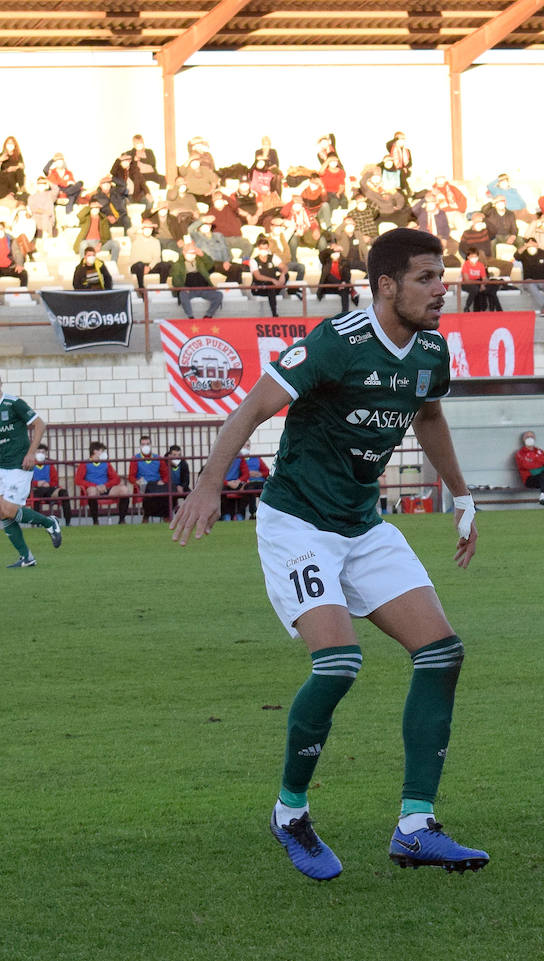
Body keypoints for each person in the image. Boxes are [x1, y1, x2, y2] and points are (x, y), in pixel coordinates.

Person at [170, 227, 488, 882]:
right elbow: (253, 407)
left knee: (442, 652)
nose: (442, 287)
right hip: (299, 524)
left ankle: (415, 826)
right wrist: (207, 484)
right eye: (427, 276)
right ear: (387, 285)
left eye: (443, 275)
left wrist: (461, 494)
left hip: (363, 524)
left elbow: (427, 414)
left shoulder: (430, 350)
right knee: (339, 662)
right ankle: (290, 812)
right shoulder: (334, 344)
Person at [0, 380, 62, 568]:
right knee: (2, 513)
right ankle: (26, 557)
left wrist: (31, 453)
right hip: (1, 467)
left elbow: (39, 424)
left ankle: (49, 522)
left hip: (19, 464)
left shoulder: (12, 403)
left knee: (9, 510)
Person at [75, 440, 134, 525]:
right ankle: (95, 521)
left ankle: (122, 520)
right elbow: (78, 480)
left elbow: (116, 478)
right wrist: (95, 486)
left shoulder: (106, 463)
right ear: (95, 451)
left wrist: (105, 485)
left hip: (107, 488)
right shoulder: (84, 464)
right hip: (94, 489)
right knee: (92, 492)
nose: (104, 453)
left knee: (124, 490)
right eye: (102, 451)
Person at [29, 442, 72, 526]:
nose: (41, 454)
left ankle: (68, 522)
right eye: (38, 452)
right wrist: (37, 483)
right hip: (35, 489)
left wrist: (48, 484)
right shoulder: (30, 464)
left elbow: (55, 480)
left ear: (46, 454)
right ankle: (37, 523)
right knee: (36, 495)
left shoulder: (50, 465)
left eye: (43, 452)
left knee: (63, 493)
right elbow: (25, 480)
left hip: (49, 489)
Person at [515, 431, 544, 507]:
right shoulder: (520, 453)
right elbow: (526, 465)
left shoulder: (538, 451)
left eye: (531, 436)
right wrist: (539, 461)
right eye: (527, 437)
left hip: (541, 478)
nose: (529, 438)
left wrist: (533, 460)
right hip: (529, 479)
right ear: (523, 439)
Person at [127, 435, 165, 522]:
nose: (145, 446)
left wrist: (163, 481)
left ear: (151, 445)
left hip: (157, 484)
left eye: (147, 444)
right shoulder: (135, 459)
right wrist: (137, 481)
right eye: (143, 444)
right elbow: (131, 477)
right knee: (148, 491)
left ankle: (165, 515)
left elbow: (165, 474)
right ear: (140, 446)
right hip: (143, 486)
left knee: (166, 491)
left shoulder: (158, 458)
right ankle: (146, 515)